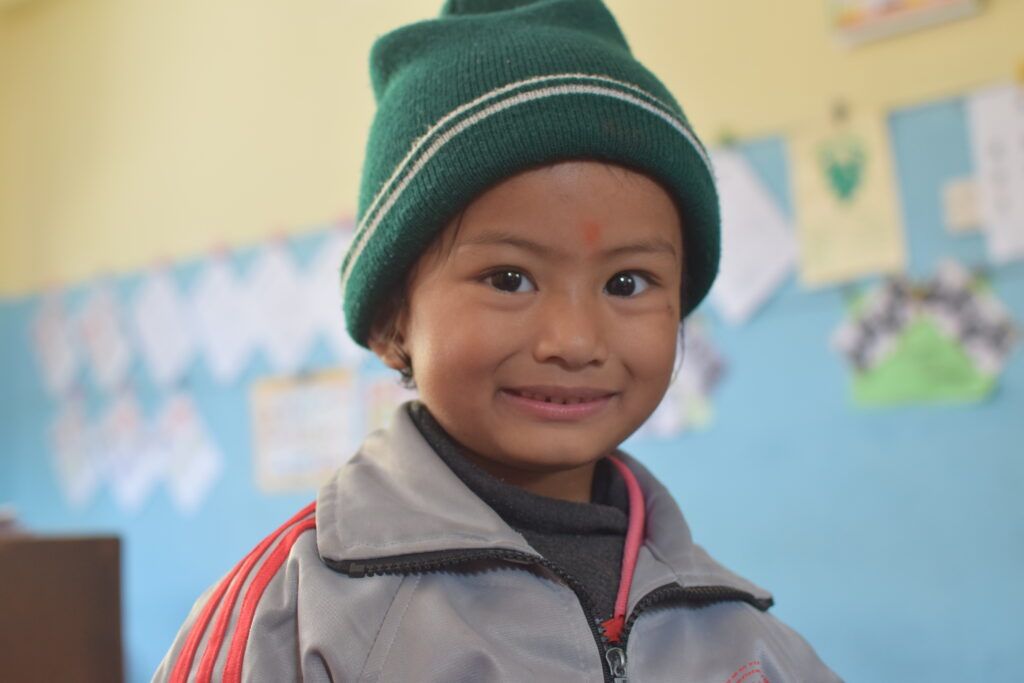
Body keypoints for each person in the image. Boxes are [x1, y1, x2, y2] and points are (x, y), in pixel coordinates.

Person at [155, 1, 841, 680]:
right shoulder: (294, 615)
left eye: (628, 283)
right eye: (509, 278)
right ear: (393, 320)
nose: (574, 340)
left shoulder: (743, 638)